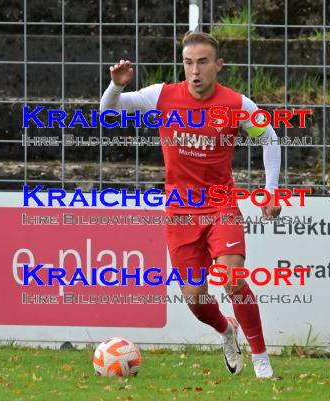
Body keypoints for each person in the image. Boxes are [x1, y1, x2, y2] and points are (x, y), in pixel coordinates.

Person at [100, 31, 281, 379]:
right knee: (197, 300)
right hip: (180, 212)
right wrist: (116, 86)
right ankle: (227, 331)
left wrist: (270, 192)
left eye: (202, 62)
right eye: (188, 63)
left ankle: (262, 361)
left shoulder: (237, 105)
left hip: (220, 206)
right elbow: (108, 112)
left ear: (218, 65)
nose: (194, 70)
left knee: (232, 278)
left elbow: (270, 139)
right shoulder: (163, 95)